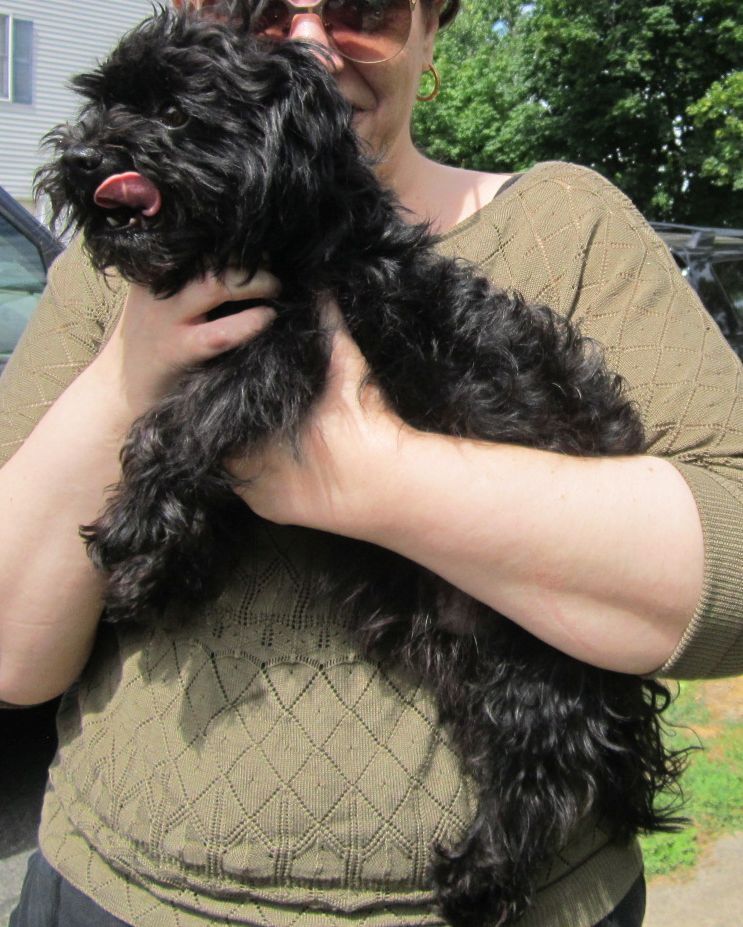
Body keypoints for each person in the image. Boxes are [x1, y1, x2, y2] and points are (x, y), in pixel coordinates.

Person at [2, 1, 741, 925]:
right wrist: (129, 368)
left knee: (534, 714)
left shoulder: (568, 228)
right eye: (261, 10)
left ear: (432, 29)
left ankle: (513, 839)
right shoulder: (115, 277)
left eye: (362, 10)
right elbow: (8, 651)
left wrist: (374, 473)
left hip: (526, 899)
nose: (310, 42)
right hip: (110, 891)